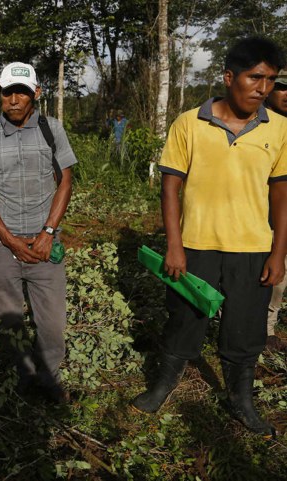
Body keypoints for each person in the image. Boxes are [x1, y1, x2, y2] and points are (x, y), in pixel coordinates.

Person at [131, 37, 287, 438]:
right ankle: (162, 386)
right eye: (255, 77)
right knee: (184, 318)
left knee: (246, 327)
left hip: (253, 248)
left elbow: (281, 195)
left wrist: (278, 252)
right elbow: (170, 188)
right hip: (197, 244)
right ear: (229, 76)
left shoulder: (281, 128)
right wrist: (175, 245)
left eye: (270, 80)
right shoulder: (189, 123)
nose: (263, 88)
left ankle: (241, 400)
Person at [0, 62, 77, 403]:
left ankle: (50, 377)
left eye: (22, 92)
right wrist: (11, 240)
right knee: (10, 317)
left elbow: (66, 182)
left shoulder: (52, 129)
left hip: (45, 242)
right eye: (7, 92)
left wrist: (47, 233)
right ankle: (25, 377)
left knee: (52, 320)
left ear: (36, 94)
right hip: (2, 246)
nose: (14, 100)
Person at [265, 69, 287, 352]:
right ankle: (265, 331)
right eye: (281, 87)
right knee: (273, 278)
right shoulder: (259, 123)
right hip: (265, 216)